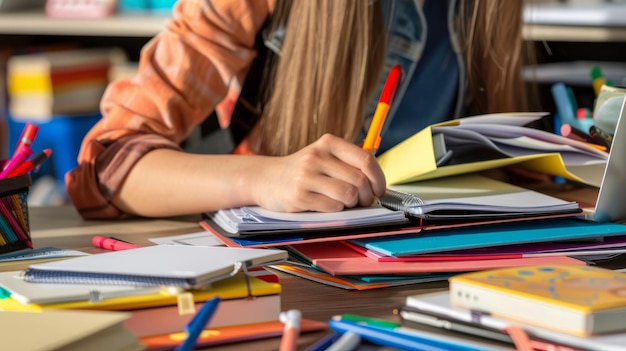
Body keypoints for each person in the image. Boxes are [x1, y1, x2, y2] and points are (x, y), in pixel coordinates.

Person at [66, 0, 532, 219]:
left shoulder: (487, 9)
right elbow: (106, 164)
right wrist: (263, 178)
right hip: (289, 272)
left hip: (436, 260)